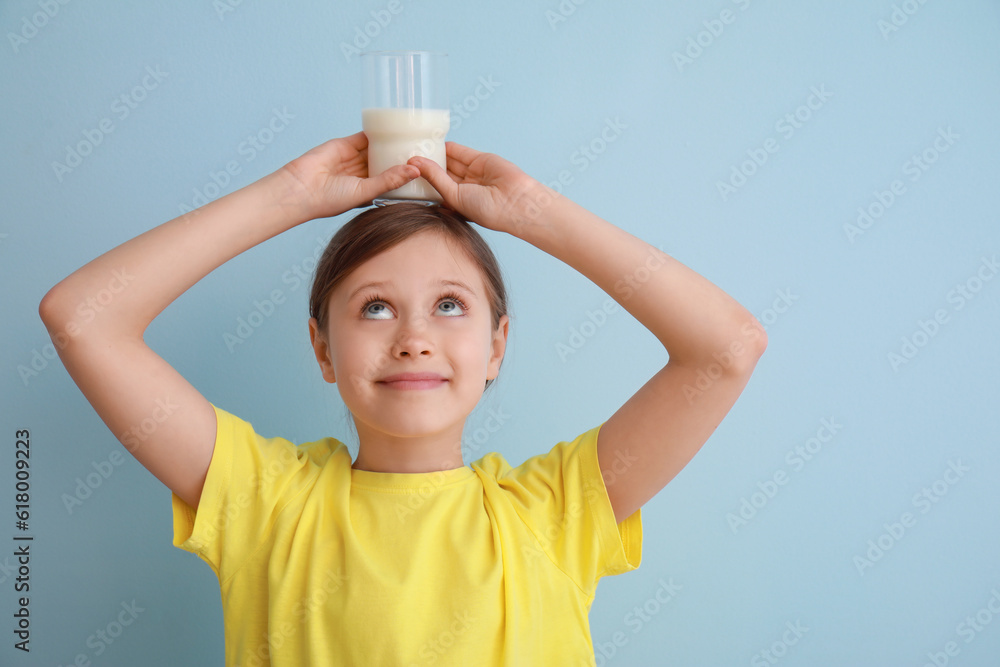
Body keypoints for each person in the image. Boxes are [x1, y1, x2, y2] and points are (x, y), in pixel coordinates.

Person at [38, 131, 767, 665]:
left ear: (497, 347)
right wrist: (288, 197)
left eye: (450, 305)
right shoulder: (263, 503)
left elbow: (728, 347)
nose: (414, 338)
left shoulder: (556, 512)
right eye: (376, 308)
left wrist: (532, 210)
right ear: (323, 348)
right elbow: (82, 318)